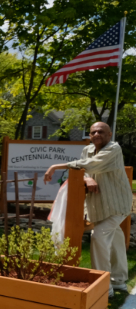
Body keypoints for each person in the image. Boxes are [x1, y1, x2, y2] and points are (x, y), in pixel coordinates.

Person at [44, 122, 132, 298]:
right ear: (90, 136)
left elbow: (93, 164)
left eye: (101, 131)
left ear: (109, 134)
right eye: (93, 132)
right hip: (98, 205)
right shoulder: (87, 150)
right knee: (115, 239)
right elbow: (84, 167)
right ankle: (119, 280)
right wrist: (86, 178)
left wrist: (55, 166)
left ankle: (103, 286)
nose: (97, 134)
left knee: (99, 236)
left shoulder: (114, 148)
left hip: (117, 204)